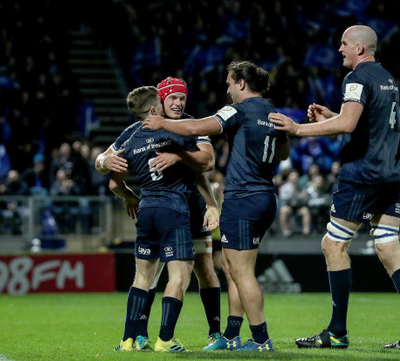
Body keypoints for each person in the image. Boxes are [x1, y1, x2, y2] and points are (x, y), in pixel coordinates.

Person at [268, 25, 400, 349]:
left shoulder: (356, 78)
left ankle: (337, 332)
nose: (339, 49)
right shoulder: (388, 79)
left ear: (359, 49)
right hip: (390, 173)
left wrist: (298, 128)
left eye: (343, 43)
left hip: (362, 174)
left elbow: (348, 123)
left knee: (333, 244)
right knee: (387, 246)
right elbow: (363, 122)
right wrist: (333, 115)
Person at [142, 60, 290, 351]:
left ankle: (260, 339)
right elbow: (283, 152)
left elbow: (200, 126)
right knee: (232, 266)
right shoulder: (274, 113)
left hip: (243, 197)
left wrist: (163, 123)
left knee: (241, 270)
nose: (227, 89)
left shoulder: (238, 109)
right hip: (264, 196)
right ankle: (232, 334)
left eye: (229, 83)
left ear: (241, 83)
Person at [95, 78, 223, 349]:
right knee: (166, 275)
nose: (177, 103)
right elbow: (101, 162)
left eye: (181, 98)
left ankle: (213, 333)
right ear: (158, 104)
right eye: (171, 99)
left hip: (190, 210)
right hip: (173, 210)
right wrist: (105, 160)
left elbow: (204, 166)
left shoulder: (191, 125)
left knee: (204, 269)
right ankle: (151, 337)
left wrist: (211, 205)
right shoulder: (139, 130)